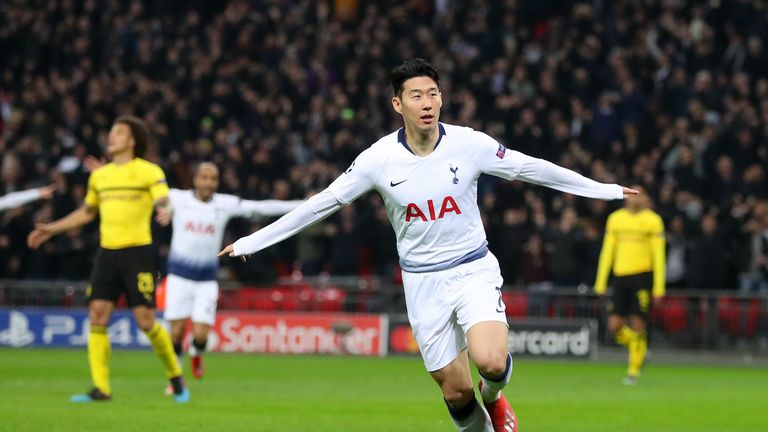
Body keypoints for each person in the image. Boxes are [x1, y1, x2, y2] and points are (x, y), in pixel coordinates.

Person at [219, 59, 637, 432]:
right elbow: (320, 204)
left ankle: (494, 396)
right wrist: (250, 242)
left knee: (490, 362)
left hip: (472, 267)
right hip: (422, 283)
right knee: (455, 392)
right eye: (416, 95)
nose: (427, 102)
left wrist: (606, 190)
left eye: (433, 94)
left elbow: (531, 168)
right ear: (397, 105)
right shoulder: (377, 160)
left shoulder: (469, 144)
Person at [27, 115, 189, 403]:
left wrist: (166, 210)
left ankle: (175, 375)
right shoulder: (100, 176)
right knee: (98, 315)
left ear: (132, 141)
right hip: (107, 253)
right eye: (111, 131)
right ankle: (101, 388)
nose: (110, 136)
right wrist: (52, 228)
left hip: (138, 252)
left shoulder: (148, 171)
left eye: (118, 132)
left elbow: (162, 198)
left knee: (145, 321)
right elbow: (88, 212)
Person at [156, 162, 301, 384]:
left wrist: (304, 204)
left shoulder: (225, 204)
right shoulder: (177, 198)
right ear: (195, 180)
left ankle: (195, 352)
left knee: (202, 337)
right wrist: (163, 208)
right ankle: (175, 379)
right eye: (204, 177)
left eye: (213, 178)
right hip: (178, 277)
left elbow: (260, 207)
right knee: (174, 333)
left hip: (206, 281)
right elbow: (147, 196)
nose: (208, 182)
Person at [594, 184, 665, 385]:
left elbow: (658, 255)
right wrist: (601, 281)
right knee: (615, 325)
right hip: (620, 277)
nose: (634, 198)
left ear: (645, 198)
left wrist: (659, 286)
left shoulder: (653, 221)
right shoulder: (615, 220)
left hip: (642, 277)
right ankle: (639, 348)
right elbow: (607, 251)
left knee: (637, 323)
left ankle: (633, 371)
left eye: (639, 195)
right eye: (631, 194)